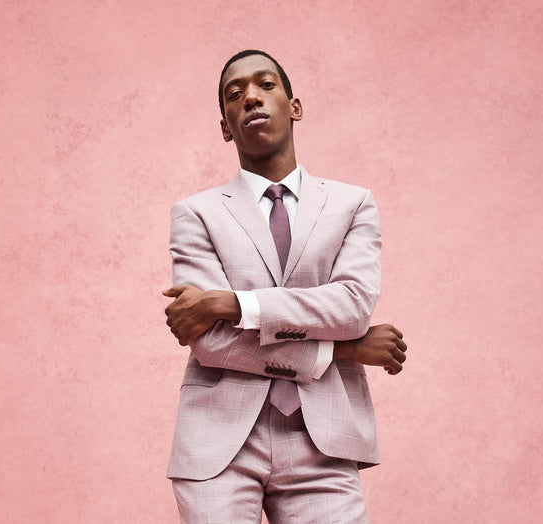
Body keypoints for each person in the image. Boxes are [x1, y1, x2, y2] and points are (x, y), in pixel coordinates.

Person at [161, 49, 407, 523]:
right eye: (235, 94)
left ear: (295, 106)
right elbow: (211, 342)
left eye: (266, 84)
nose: (251, 97)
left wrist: (234, 304)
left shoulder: (352, 204)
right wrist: (344, 350)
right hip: (219, 443)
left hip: (324, 443)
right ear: (225, 127)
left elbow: (352, 307)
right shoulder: (195, 214)